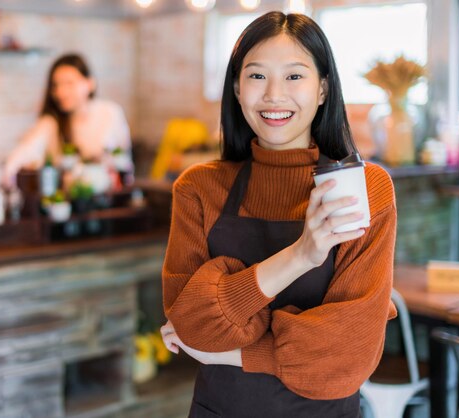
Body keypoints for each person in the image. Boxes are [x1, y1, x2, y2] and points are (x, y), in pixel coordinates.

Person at [160, 11, 397, 418]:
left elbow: (347, 356)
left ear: (322, 89)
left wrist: (229, 351)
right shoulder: (198, 189)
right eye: (256, 76)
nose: (273, 95)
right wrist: (301, 256)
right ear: (236, 88)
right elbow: (192, 326)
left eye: (294, 76)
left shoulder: (363, 189)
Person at [4, 53, 131, 186]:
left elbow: (125, 162)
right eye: (56, 85)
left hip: (110, 198)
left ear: (90, 83)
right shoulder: (50, 124)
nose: (61, 92)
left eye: (69, 83)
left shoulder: (109, 113)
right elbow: (15, 162)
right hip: (67, 203)